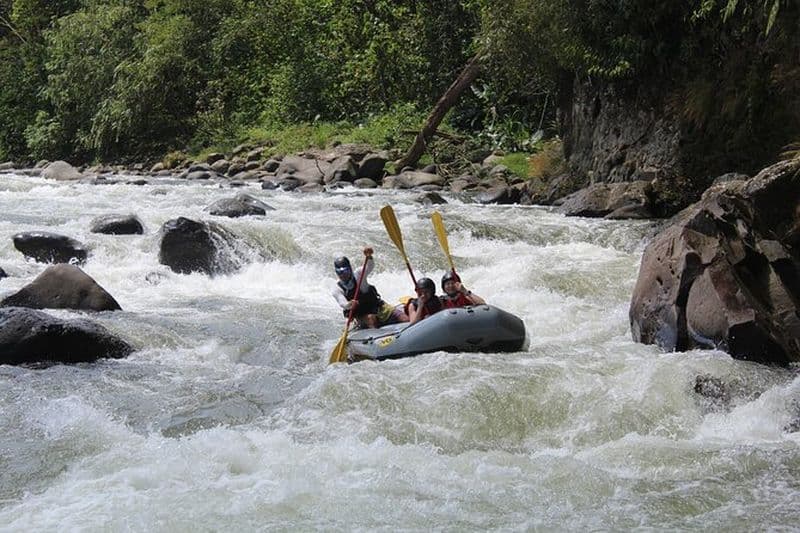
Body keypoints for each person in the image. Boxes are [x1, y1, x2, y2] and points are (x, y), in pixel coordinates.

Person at [332, 247, 408, 329]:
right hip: (362, 315)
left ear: (350, 269)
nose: (343, 275)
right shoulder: (337, 289)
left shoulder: (358, 275)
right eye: (339, 272)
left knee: (405, 319)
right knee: (371, 319)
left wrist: (369, 256)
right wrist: (349, 304)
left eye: (345, 271)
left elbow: (370, 266)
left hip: (379, 308)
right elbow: (342, 303)